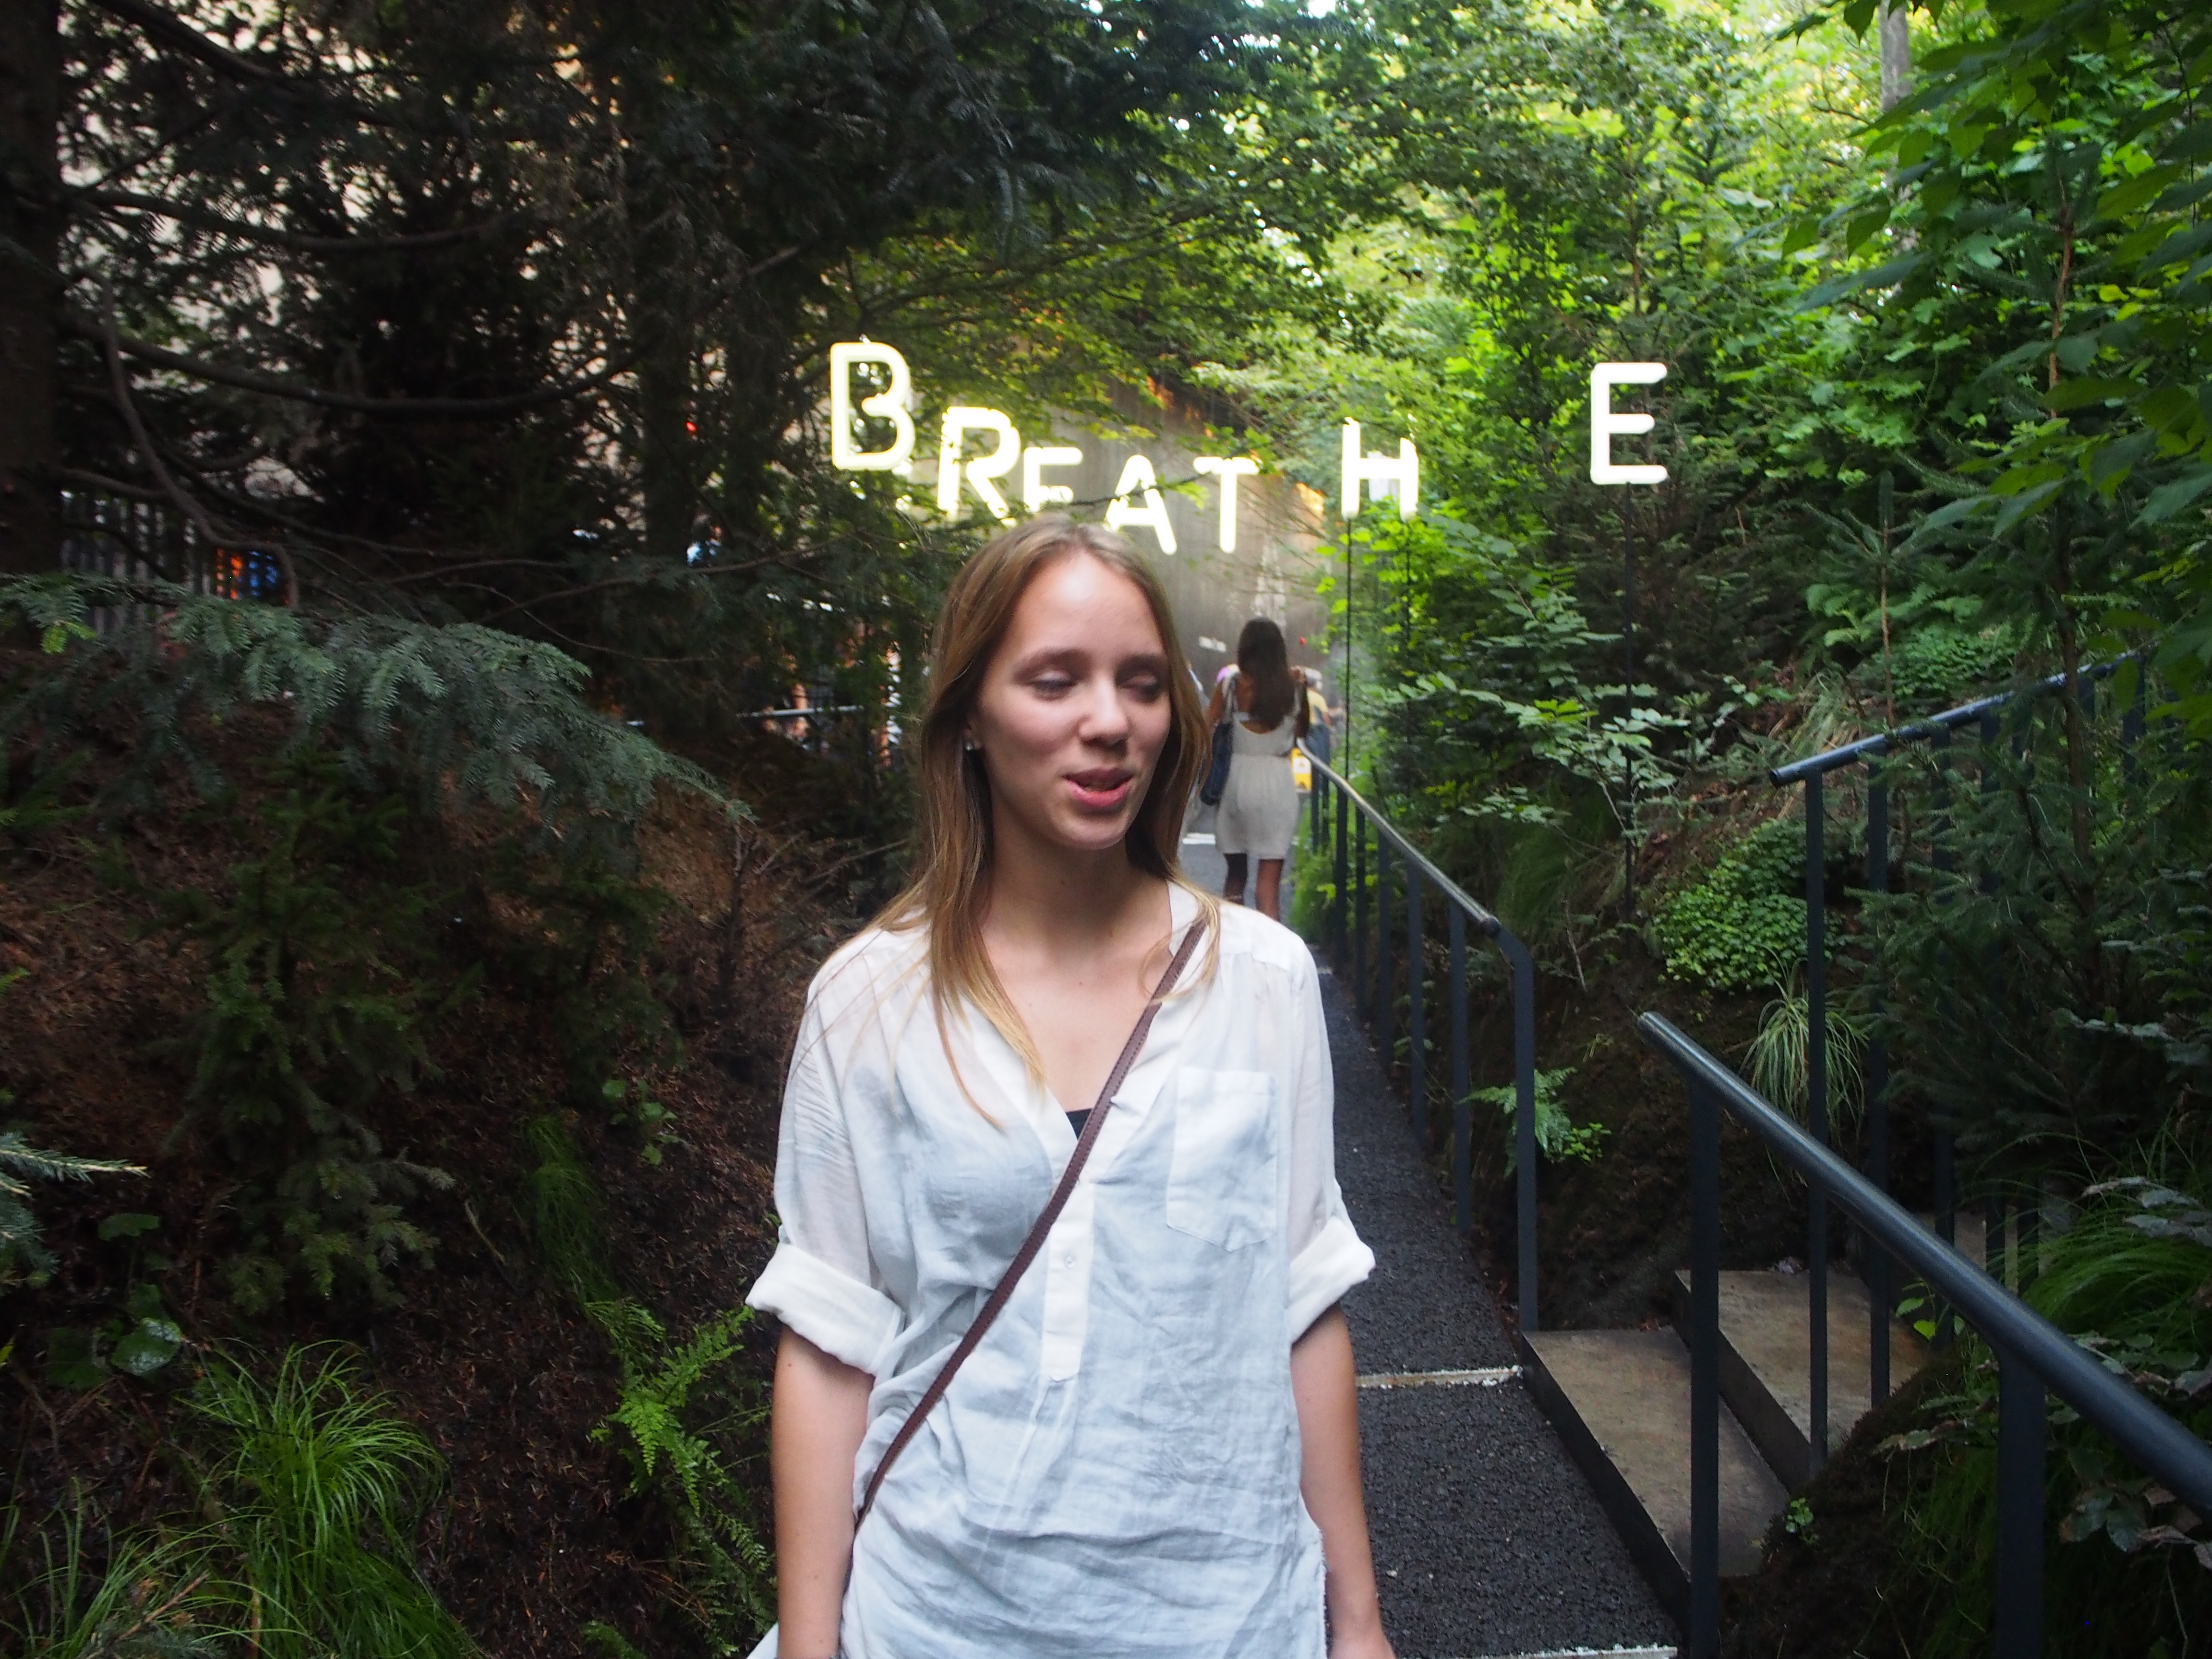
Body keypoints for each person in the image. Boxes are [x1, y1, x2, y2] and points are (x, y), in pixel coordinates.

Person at [747, 515, 1392, 1659]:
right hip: (939, 1620)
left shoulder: (1264, 982)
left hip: (1232, 1619)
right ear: (970, 716)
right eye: (1055, 680)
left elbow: (1301, 1307)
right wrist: (809, 1644)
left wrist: (1360, 1624)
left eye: (1141, 683)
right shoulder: (868, 1001)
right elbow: (831, 1343)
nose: (1110, 722)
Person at [1205, 617, 1310, 921]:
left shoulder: (1231, 686)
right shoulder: (1293, 687)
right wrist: (1301, 690)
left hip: (1236, 783)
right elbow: (1302, 732)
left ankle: (1233, 941)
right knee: (1268, 890)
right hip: (1278, 785)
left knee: (1236, 876)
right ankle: (1271, 946)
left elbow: (1205, 725)